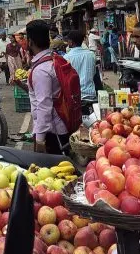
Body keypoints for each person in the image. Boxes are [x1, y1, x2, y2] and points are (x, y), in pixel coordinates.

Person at [25, 20, 71, 154]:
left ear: (30, 42)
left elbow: (44, 105)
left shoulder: (41, 70)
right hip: (61, 126)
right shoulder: (54, 59)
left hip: (51, 133)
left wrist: (39, 139)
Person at [63, 30, 97, 102]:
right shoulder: (91, 55)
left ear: (71, 42)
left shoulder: (66, 57)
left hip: (74, 97)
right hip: (90, 95)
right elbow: (93, 73)